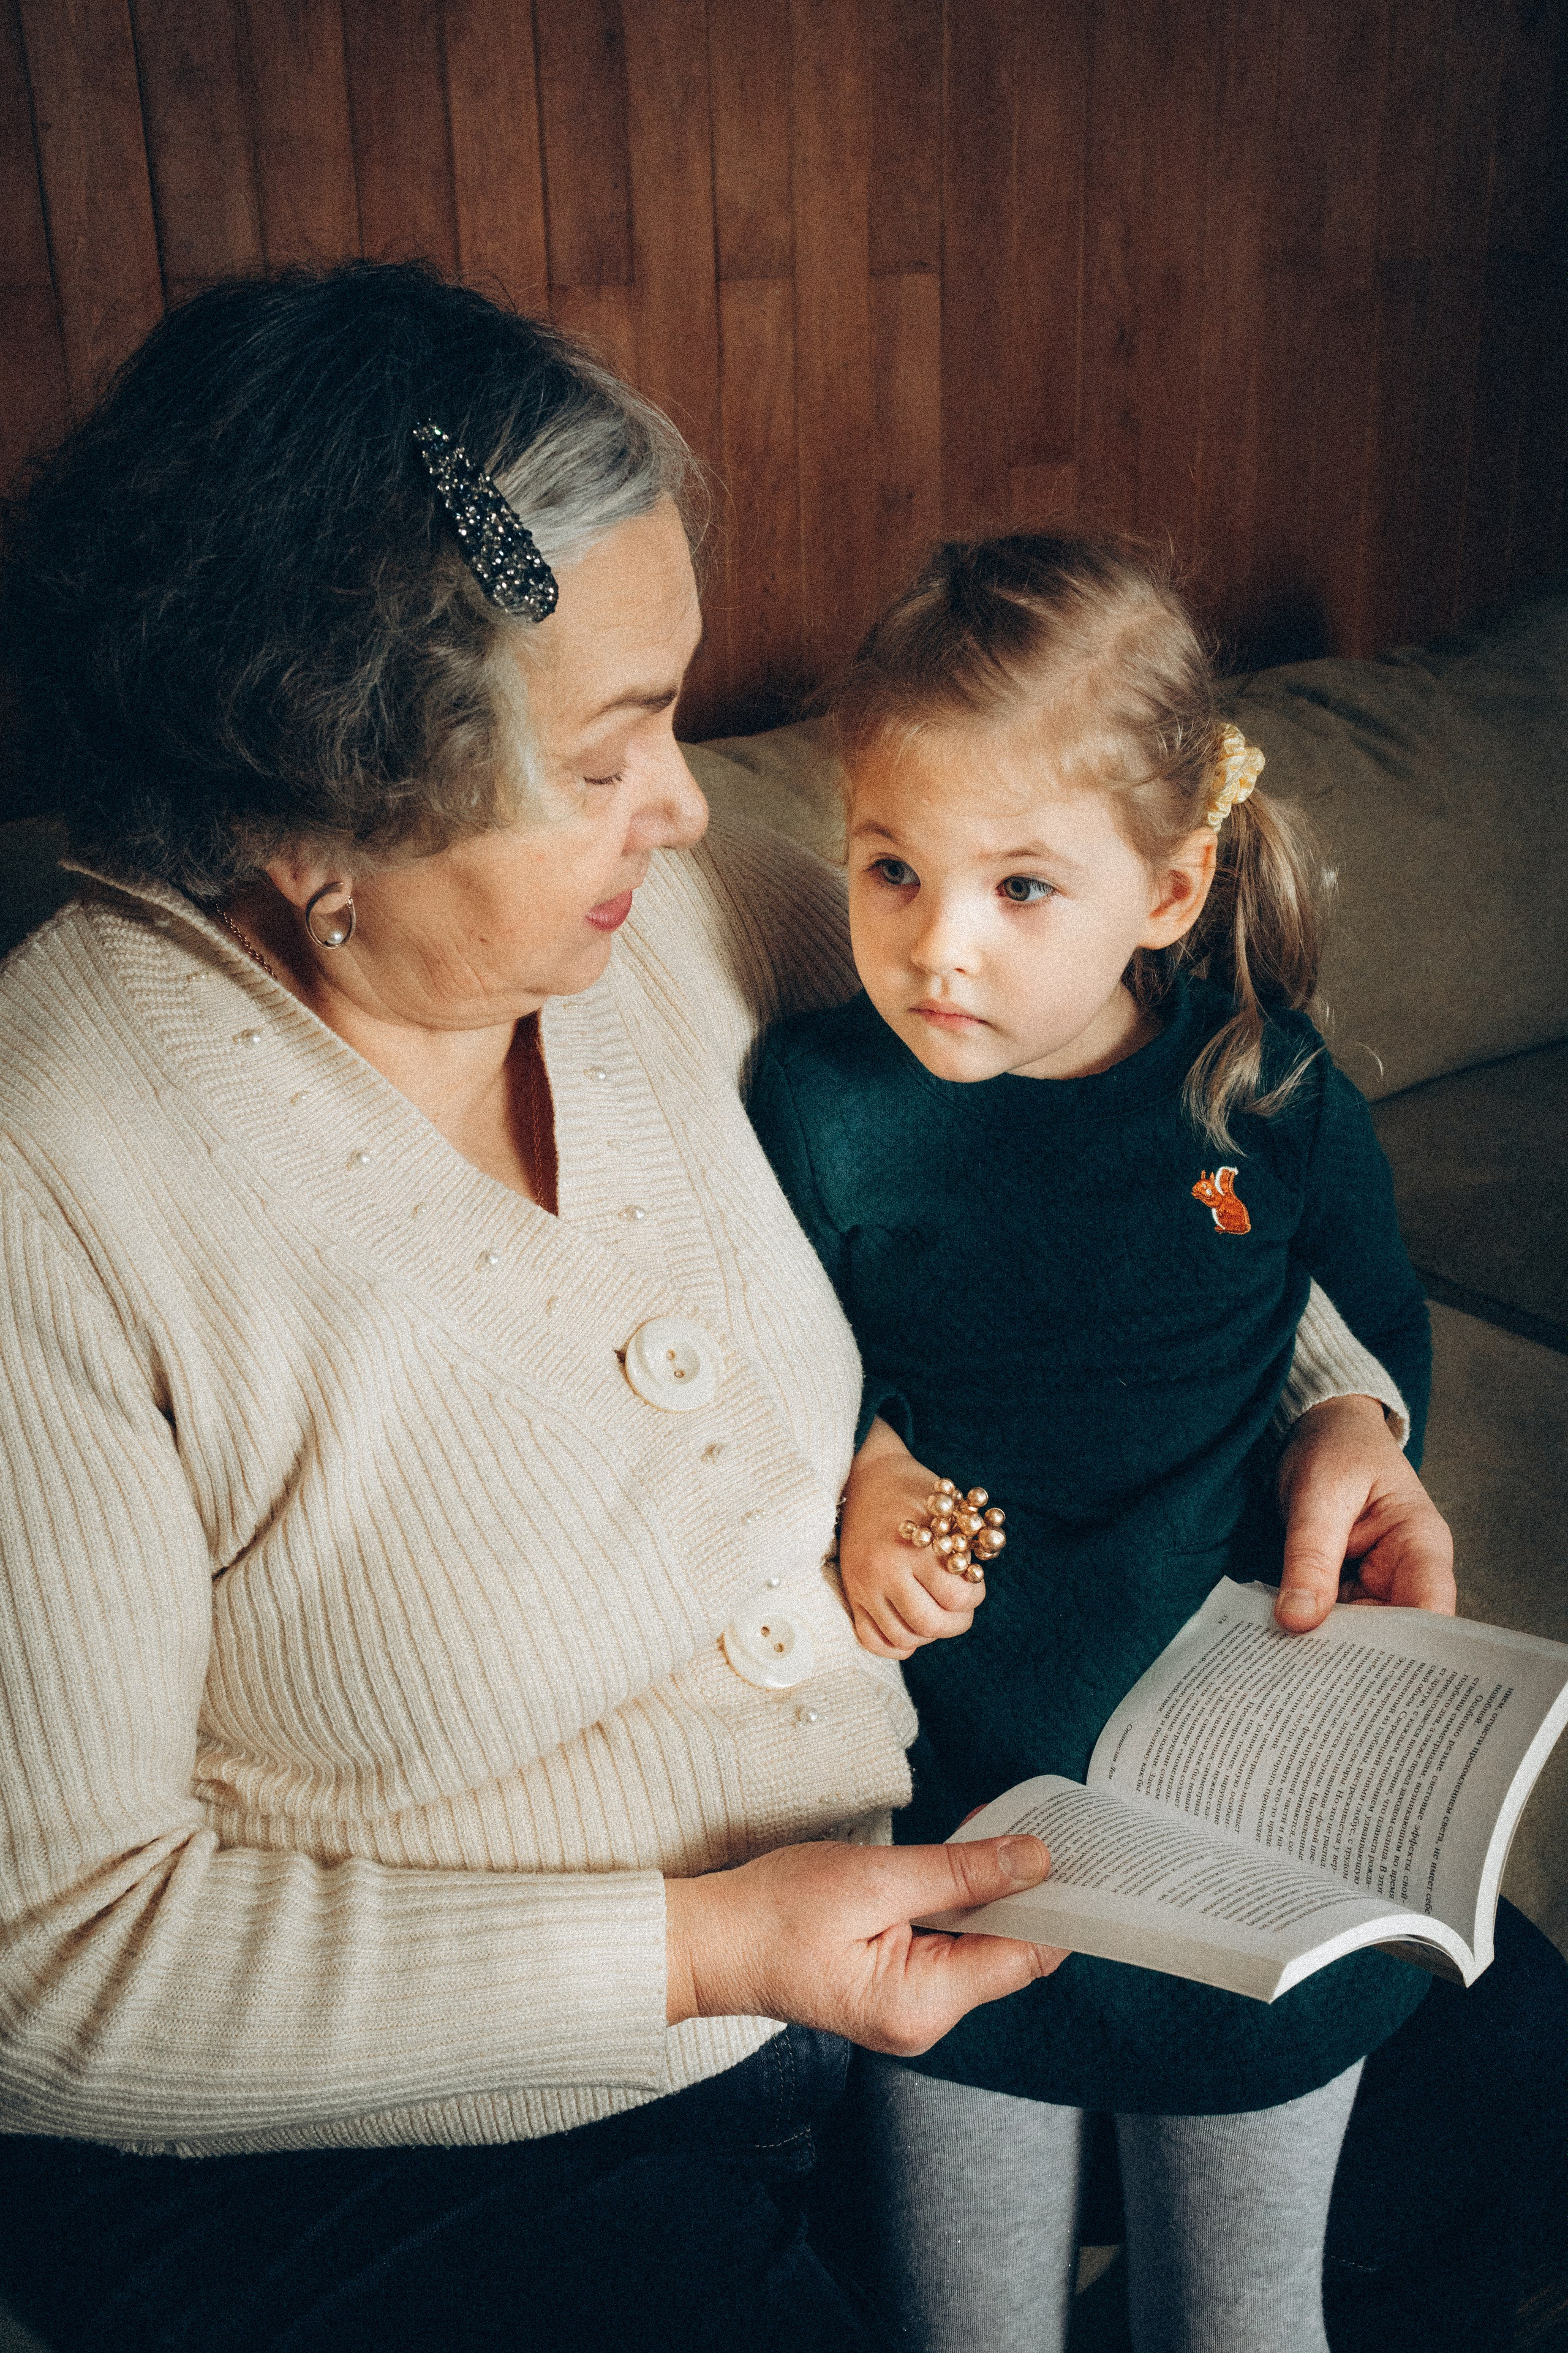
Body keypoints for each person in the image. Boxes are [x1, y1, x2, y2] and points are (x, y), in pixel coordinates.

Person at [0, 266, 1474, 2353]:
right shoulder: (52, 1174)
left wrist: (1332, 1403)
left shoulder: (685, 921)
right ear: (337, 799)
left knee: (1503, 2120)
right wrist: (701, 1951)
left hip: (899, 1942)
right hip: (382, 2145)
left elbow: (1107, 1124)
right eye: (612, 753)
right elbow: (48, 1969)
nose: (691, 801)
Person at [744, 533, 1478, 2353]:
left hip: (1242, 1779)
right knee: (965, 2324)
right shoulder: (822, 1107)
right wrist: (860, 1463)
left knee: (1243, 2317)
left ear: (1167, 890)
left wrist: (1357, 1421)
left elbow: (1373, 1323)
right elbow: (753, 1362)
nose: (939, 942)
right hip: (967, 1805)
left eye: (1019, 886)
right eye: (893, 867)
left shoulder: (1269, 1087)